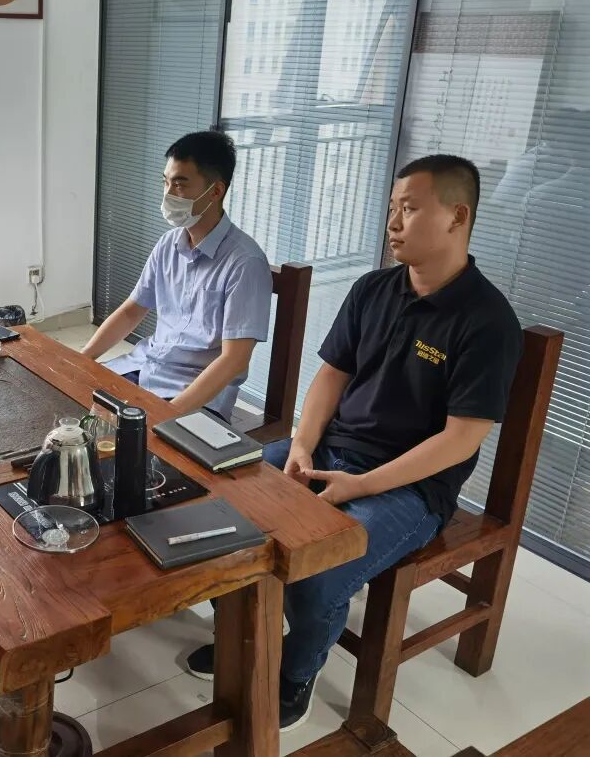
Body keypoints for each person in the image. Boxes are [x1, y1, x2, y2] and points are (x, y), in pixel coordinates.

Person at [185, 155, 522, 733]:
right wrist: (301, 446)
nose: (393, 222)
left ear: (457, 216)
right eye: (391, 207)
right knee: (220, 505)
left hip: (410, 489)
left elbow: (461, 440)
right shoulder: (373, 289)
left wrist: (362, 485)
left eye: (409, 208)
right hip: (329, 455)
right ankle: (247, 635)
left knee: (318, 572)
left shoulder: (487, 321)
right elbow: (330, 376)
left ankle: (295, 674)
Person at [80, 131, 272, 420]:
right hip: (144, 367)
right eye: (166, 182)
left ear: (216, 191)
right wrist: (81, 360)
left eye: (180, 185)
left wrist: (167, 414)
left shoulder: (245, 263)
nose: (168, 194)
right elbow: (132, 311)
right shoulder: (169, 243)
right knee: (65, 403)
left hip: (192, 394)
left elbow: (234, 360)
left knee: (117, 440)